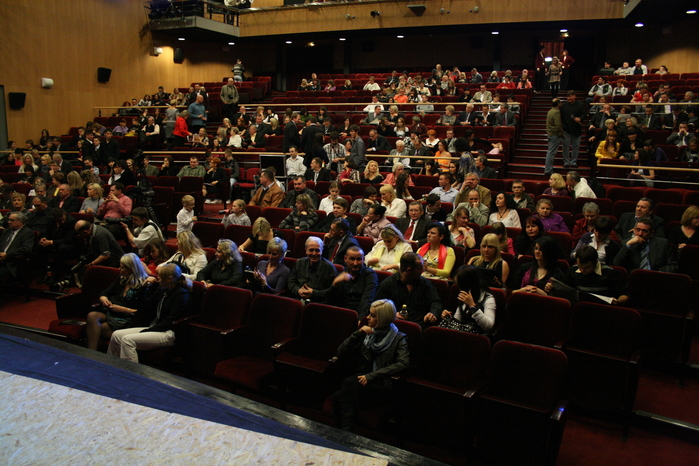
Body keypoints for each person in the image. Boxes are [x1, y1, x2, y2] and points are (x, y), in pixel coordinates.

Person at [334, 299, 409, 431]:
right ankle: (345, 432)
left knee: (348, 384)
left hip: (381, 385)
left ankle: (345, 433)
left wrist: (372, 376)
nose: (367, 317)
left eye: (373, 315)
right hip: (361, 383)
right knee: (338, 397)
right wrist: (357, 334)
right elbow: (340, 351)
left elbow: (403, 363)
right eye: (369, 313)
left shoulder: (399, 339)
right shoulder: (367, 333)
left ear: (383, 319)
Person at [107, 263, 192, 363]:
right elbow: (143, 307)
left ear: (169, 279)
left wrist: (150, 330)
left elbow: (171, 320)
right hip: (156, 328)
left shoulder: (182, 294)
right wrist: (144, 287)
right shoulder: (162, 290)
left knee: (128, 341)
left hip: (169, 332)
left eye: (160, 276)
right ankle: (112, 368)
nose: (158, 278)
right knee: (116, 335)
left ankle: (132, 375)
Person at [85, 253, 151, 351]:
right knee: (92, 316)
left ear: (131, 269)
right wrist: (104, 299)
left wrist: (123, 309)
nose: (119, 270)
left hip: (128, 318)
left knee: (98, 329)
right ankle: (91, 353)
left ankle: (93, 354)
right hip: (113, 312)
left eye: (122, 268)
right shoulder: (121, 279)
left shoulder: (144, 285)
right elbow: (105, 293)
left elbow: (143, 311)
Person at [326, 246, 378, 319]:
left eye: (359, 259)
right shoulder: (340, 276)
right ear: (345, 259)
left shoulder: (370, 275)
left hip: (359, 315)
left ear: (363, 259)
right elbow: (329, 302)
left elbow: (367, 300)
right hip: (340, 314)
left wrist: (360, 320)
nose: (355, 263)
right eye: (352, 259)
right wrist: (334, 284)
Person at [441, 265, 496, 334]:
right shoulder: (464, 294)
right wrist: (449, 316)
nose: (460, 289)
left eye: (461, 286)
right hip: (463, 333)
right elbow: (458, 320)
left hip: (477, 337)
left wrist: (472, 307)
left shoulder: (488, 298)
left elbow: (488, 326)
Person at [288, 236, 338, 303]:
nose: (314, 254)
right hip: (298, 300)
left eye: (317, 250)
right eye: (311, 250)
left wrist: (314, 293)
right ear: (306, 250)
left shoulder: (329, 268)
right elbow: (291, 282)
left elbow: (333, 292)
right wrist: (298, 290)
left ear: (322, 250)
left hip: (319, 304)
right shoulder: (299, 263)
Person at [0, 212, 35, 288]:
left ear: (21, 221)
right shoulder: (6, 231)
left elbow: (26, 249)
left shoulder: (27, 233)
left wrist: (7, 255)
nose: (9, 222)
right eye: (9, 220)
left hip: (13, 263)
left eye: (12, 220)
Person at [560, 90, 586, 168]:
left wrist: (580, 119)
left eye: (570, 96)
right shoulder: (563, 106)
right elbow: (561, 117)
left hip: (576, 129)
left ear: (574, 96)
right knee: (565, 146)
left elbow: (584, 114)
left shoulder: (581, 105)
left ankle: (574, 162)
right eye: (568, 97)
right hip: (566, 129)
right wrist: (563, 127)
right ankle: (566, 162)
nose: (569, 98)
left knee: (576, 146)